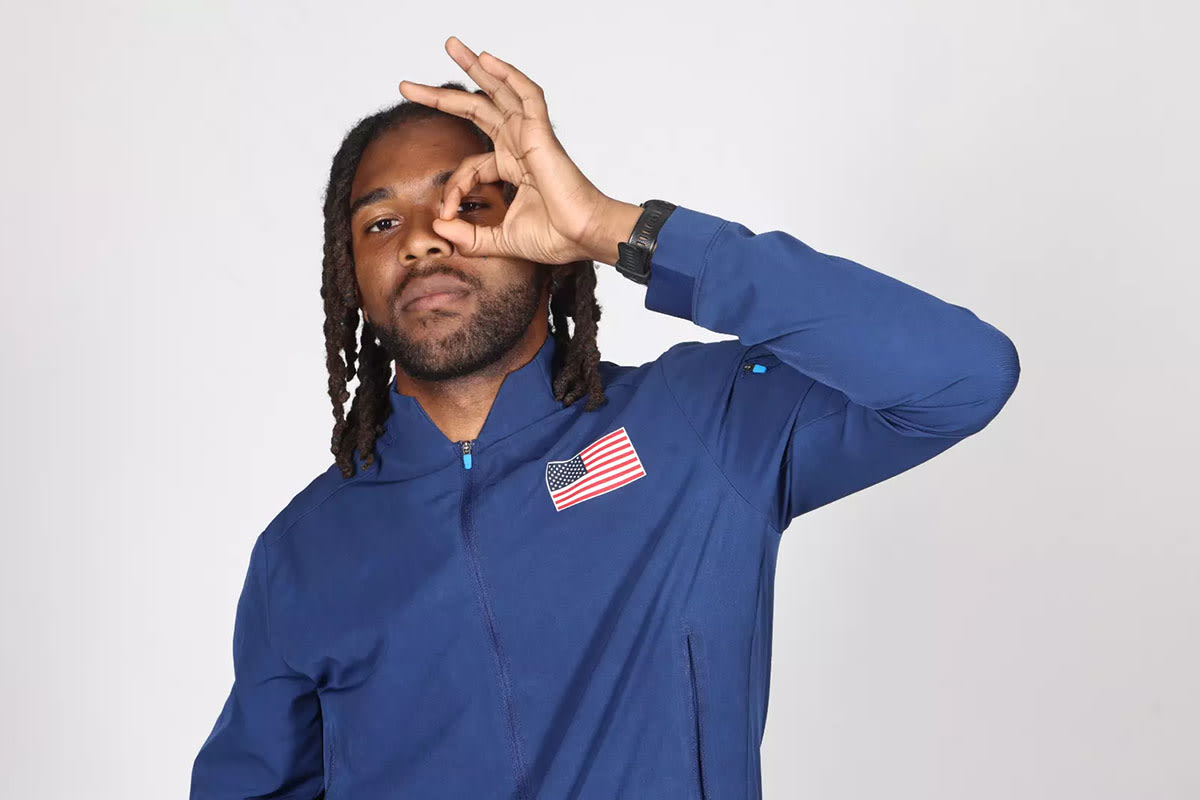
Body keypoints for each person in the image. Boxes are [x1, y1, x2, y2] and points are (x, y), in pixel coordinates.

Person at [190, 35, 1020, 800]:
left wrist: (612, 228)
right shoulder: (302, 553)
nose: (422, 241)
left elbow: (961, 376)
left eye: (467, 203)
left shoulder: (700, 425)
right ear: (353, 278)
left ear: (540, 231)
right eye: (382, 222)